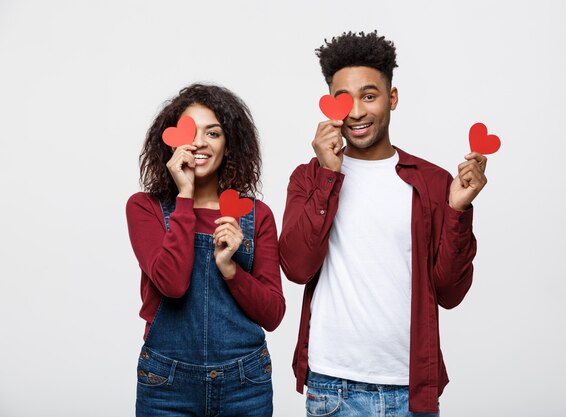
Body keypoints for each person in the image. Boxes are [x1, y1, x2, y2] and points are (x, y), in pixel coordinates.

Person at [278, 31, 488, 416]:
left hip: (410, 387)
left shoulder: (433, 182)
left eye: (369, 96)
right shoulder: (308, 179)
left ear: (392, 98)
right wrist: (328, 174)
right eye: (344, 99)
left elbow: (450, 292)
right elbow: (296, 267)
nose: (356, 111)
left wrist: (457, 210)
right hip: (332, 387)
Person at [126, 83, 285, 417]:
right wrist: (184, 196)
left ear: (229, 146)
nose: (199, 142)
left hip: (246, 383)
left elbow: (272, 315)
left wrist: (231, 269)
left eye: (213, 133)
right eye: (190, 132)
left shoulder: (257, 216)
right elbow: (172, 284)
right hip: (166, 384)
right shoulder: (145, 209)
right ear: (169, 141)